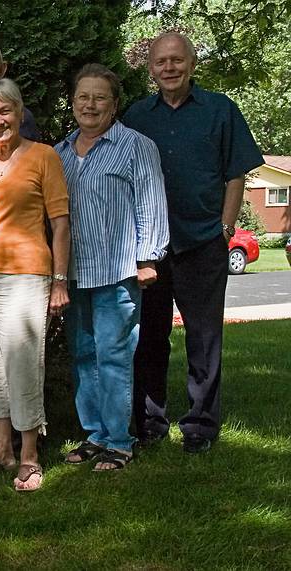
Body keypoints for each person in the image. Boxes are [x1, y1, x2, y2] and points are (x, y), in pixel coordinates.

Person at [122, 32, 264, 453]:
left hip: (202, 242)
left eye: (177, 60)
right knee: (149, 336)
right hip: (150, 248)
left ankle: (200, 424)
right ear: (150, 68)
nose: (169, 68)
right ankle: (150, 420)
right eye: (161, 61)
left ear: (192, 63)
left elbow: (236, 173)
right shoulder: (135, 116)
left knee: (203, 338)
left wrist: (224, 228)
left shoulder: (220, 110)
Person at [55, 64, 169, 471]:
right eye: (83, 96)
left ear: (114, 104)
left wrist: (148, 258)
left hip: (118, 272)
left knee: (114, 356)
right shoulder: (60, 152)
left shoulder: (137, 145)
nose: (90, 104)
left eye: (99, 97)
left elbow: (151, 202)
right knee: (84, 355)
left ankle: (120, 441)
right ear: (72, 103)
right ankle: (95, 434)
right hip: (74, 273)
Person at [0, 78, 69, 491]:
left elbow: (60, 224)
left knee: (23, 363)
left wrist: (59, 280)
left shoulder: (44, 156)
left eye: (5, 111)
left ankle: (29, 454)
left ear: (20, 113)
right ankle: (0, 449)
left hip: (26, 273)